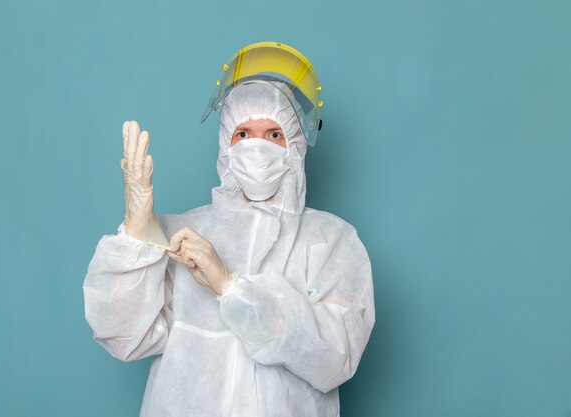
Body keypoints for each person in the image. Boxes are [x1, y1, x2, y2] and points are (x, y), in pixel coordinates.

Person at [83, 42, 375, 417]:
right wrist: (137, 236)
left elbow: (336, 358)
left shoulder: (330, 241)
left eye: (273, 134)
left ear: (295, 146)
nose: (256, 148)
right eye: (243, 134)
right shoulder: (180, 235)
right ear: (226, 144)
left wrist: (231, 288)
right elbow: (125, 337)